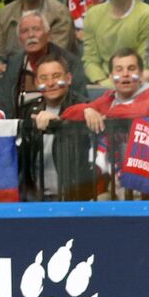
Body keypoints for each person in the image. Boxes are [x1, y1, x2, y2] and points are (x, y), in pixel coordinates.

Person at [24, 57, 97, 201]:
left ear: (69, 78)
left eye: (56, 76)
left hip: (75, 196)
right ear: (36, 83)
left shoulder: (87, 108)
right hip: (37, 198)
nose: (50, 83)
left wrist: (61, 123)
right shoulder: (27, 111)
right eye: (43, 78)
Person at [0, 11, 89, 119]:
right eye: (25, 31)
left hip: (61, 124)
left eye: (36, 29)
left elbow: (80, 103)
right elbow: (4, 104)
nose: (31, 35)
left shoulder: (69, 62)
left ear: (48, 35)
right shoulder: (14, 64)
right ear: (19, 40)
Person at [83, 0, 149, 86]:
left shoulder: (148, 14)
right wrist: (102, 82)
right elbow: (90, 59)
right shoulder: (93, 14)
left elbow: (143, 61)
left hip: (136, 81)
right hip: (102, 83)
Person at [0, 0, 77, 58]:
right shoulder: (6, 13)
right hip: (11, 74)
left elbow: (56, 56)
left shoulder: (59, 13)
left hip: (49, 74)